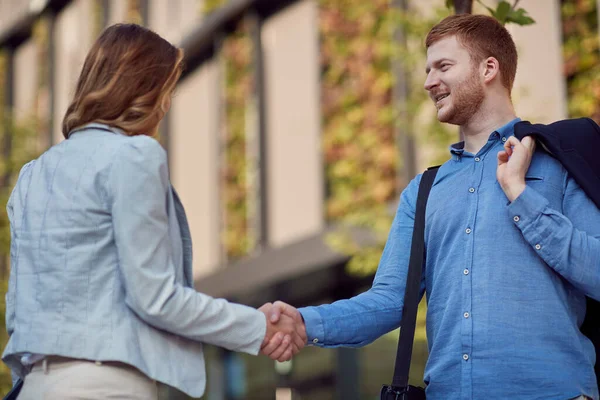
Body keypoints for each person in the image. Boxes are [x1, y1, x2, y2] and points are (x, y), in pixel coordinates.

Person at [264, 14, 600, 400]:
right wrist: (304, 324)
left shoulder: (557, 161)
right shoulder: (422, 192)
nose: (428, 82)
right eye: (427, 70)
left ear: (488, 68)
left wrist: (520, 194)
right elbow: (389, 301)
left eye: (443, 66)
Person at [2, 23, 305, 400]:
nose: (166, 106)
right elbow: (155, 298)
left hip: (36, 386)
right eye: (168, 91)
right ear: (146, 92)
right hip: (107, 388)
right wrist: (258, 328)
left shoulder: (32, 175)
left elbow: (16, 312)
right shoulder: (133, 157)